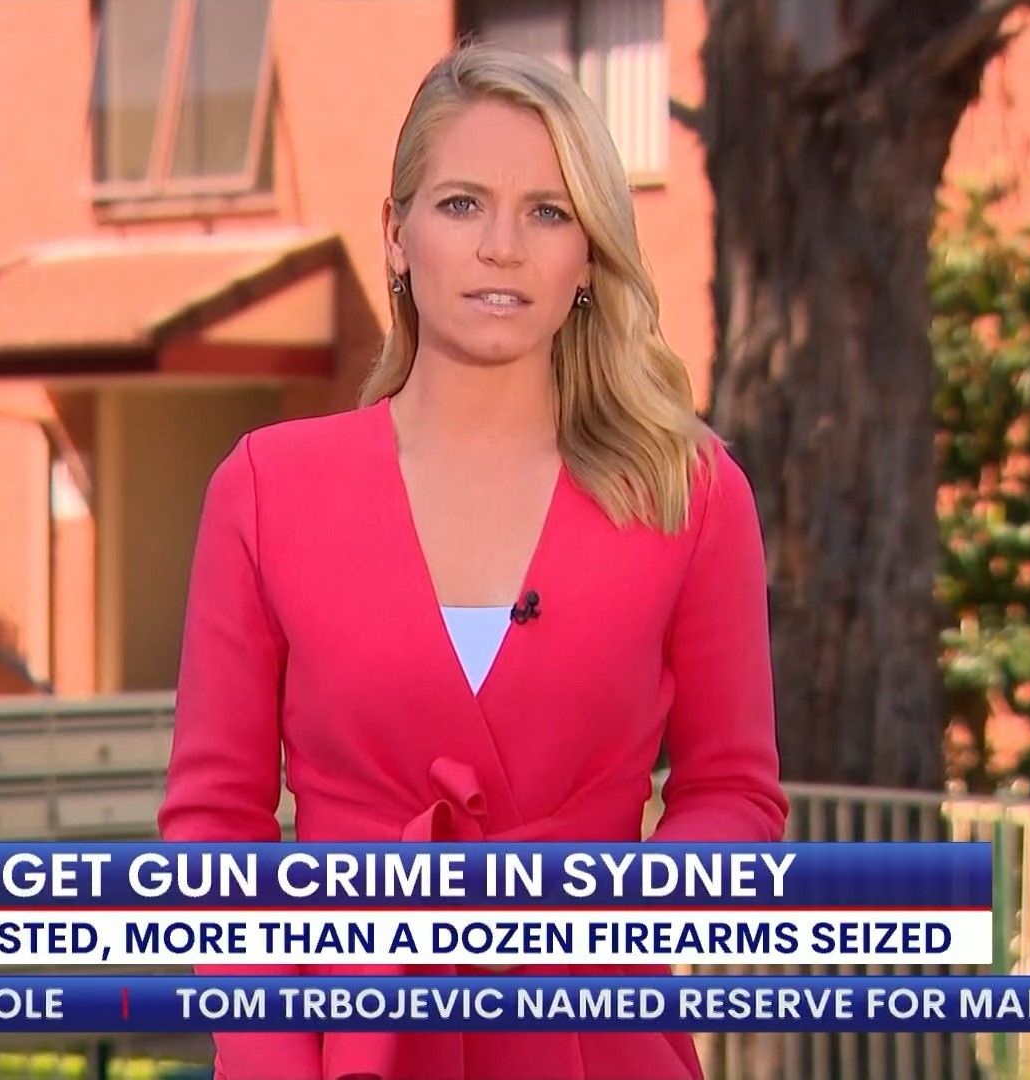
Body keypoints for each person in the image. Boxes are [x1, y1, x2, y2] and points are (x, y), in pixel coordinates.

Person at [157, 43, 789, 1080]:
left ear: (589, 256)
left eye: (547, 212)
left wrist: (615, 922)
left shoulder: (691, 494)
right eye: (462, 205)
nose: (503, 247)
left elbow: (734, 794)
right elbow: (215, 825)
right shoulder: (267, 489)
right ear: (396, 236)